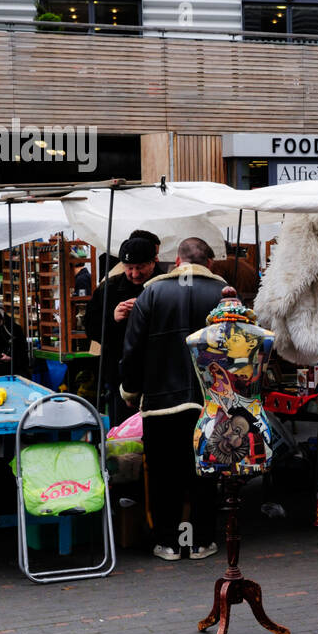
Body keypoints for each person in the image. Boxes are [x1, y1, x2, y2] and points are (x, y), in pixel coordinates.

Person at [119, 237, 229, 561]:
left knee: (164, 473)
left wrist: (131, 390)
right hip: (211, 403)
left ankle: (167, 542)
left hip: (160, 403)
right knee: (204, 472)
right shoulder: (224, 294)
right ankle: (200, 541)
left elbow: (132, 348)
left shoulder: (152, 292)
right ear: (208, 264)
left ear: (178, 261)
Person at [85, 235, 163, 426]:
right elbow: (91, 328)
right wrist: (113, 319)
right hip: (119, 376)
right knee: (123, 434)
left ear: (153, 263)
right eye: (130, 268)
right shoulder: (108, 289)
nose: (135, 273)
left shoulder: (166, 287)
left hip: (159, 375)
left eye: (140, 267)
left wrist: (147, 311)